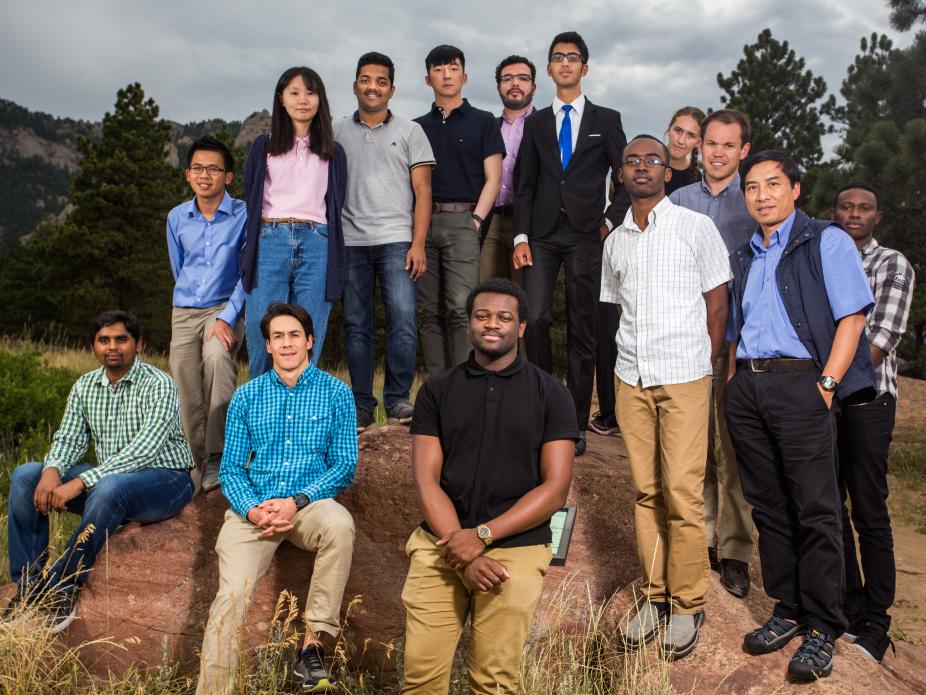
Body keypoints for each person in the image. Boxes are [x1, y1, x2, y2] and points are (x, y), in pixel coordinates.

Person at [725, 151, 875, 681]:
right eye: (751, 187)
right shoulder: (745, 253)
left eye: (772, 184)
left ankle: (824, 625)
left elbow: (852, 318)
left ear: (795, 189)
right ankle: (788, 608)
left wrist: (827, 387)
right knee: (768, 507)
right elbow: (737, 322)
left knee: (816, 508)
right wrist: (733, 386)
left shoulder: (825, 240)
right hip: (748, 386)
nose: (761, 195)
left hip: (802, 384)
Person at [401, 278, 577, 694]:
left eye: (503, 317)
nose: (491, 324)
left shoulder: (552, 394)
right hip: (440, 545)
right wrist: (460, 548)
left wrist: (482, 537)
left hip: (514, 550)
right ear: (470, 325)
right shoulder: (437, 390)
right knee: (420, 680)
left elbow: (555, 489)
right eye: (482, 316)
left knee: (494, 683)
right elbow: (426, 479)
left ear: (521, 327)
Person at [603, 135, 732, 660]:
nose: (641, 168)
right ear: (621, 173)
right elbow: (616, 310)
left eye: (651, 160)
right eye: (631, 161)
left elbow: (718, 303)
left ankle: (688, 603)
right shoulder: (615, 240)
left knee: (682, 491)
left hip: (684, 375)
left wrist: (705, 364)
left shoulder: (695, 228)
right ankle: (655, 598)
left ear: (668, 172)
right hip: (631, 376)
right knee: (645, 491)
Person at [197, 303, 357, 695]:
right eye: (278, 337)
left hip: (309, 506)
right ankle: (214, 689)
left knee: (340, 525)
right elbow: (231, 469)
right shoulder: (247, 396)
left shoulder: (337, 393)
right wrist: (253, 509)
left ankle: (312, 648)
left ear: (310, 341)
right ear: (267, 346)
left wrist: (297, 501)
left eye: (294, 335)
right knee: (230, 597)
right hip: (256, 509)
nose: (287, 344)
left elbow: (345, 466)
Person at [5, 311, 194, 632]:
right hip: (113, 481)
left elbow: (145, 450)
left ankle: (63, 585)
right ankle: (28, 588)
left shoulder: (160, 384)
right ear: (93, 346)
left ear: (138, 344)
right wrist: (52, 470)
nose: (113, 347)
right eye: (104, 340)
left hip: (166, 480)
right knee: (26, 475)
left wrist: (80, 482)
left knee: (109, 488)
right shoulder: (85, 386)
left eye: (121, 339)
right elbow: (69, 438)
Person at [513, 31, 628, 456]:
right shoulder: (537, 122)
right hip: (541, 235)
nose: (565, 63)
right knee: (537, 319)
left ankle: (574, 425)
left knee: (584, 329)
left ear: (585, 66)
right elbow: (523, 184)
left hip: (586, 235)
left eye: (573, 57)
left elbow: (627, 177)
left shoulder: (607, 120)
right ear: (549, 68)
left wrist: (607, 223)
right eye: (558, 57)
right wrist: (521, 236)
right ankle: (542, 414)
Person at [669, 109, 756, 598]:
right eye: (710, 144)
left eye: (728, 145)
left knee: (734, 453)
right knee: (692, 451)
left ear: (743, 151)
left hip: (738, 346)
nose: (718, 153)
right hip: (686, 344)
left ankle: (736, 551)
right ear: (698, 147)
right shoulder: (678, 200)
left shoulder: (756, 200)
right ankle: (698, 541)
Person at [832, 183, 914, 662]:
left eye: (863, 208)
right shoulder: (826, 256)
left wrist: (823, 372)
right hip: (825, 401)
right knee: (829, 506)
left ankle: (877, 620)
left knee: (868, 510)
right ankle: (847, 603)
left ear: (877, 217)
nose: (854, 214)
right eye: (846, 207)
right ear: (834, 212)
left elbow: (879, 339)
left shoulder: (891, 265)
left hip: (866, 401)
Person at [334, 52, 435, 430]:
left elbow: (423, 193)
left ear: (391, 88)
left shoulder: (411, 132)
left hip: (397, 240)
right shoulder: (336, 130)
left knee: (404, 321)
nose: (372, 86)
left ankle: (396, 400)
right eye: (365, 79)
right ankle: (361, 404)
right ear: (355, 85)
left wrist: (418, 243)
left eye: (380, 81)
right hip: (350, 242)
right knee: (356, 323)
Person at [240, 66, 347, 378]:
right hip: (270, 238)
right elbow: (251, 197)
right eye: (295, 92)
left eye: (311, 93)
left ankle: (303, 416)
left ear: (320, 100)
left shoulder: (333, 152)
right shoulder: (264, 146)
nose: (303, 100)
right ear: (281, 99)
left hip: (317, 243)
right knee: (264, 335)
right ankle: (260, 415)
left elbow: (336, 204)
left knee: (308, 336)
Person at [414, 45, 505, 376]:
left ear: (464, 76)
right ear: (428, 79)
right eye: (438, 70)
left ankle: (465, 383)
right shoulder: (415, 127)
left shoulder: (483, 122)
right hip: (422, 224)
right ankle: (439, 386)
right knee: (427, 311)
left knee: (459, 307)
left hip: (464, 221)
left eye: (452, 68)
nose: (446, 75)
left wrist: (476, 220)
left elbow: (493, 179)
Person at [166, 135, 246, 492]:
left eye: (214, 168)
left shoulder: (244, 214)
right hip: (183, 312)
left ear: (227, 176)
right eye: (197, 168)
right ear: (187, 174)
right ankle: (196, 474)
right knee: (187, 393)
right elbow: (178, 267)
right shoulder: (176, 218)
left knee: (216, 360)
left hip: (224, 308)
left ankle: (217, 456)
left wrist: (227, 316)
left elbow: (249, 272)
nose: (205, 175)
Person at [479, 55, 536, 286]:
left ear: (533, 86)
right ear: (498, 86)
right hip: (490, 222)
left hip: (529, 225)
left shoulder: (546, 125)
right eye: (508, 78)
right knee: (485, 293)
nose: (515, 83)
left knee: (524, 300)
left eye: (523, 78)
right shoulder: (487, 126)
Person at [664, 106, 705, 196]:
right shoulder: (644, 163)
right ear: (669, 129)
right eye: (678, 130)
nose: (681, 141)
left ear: (698, 143)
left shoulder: (698, 183)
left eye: (691, 135)